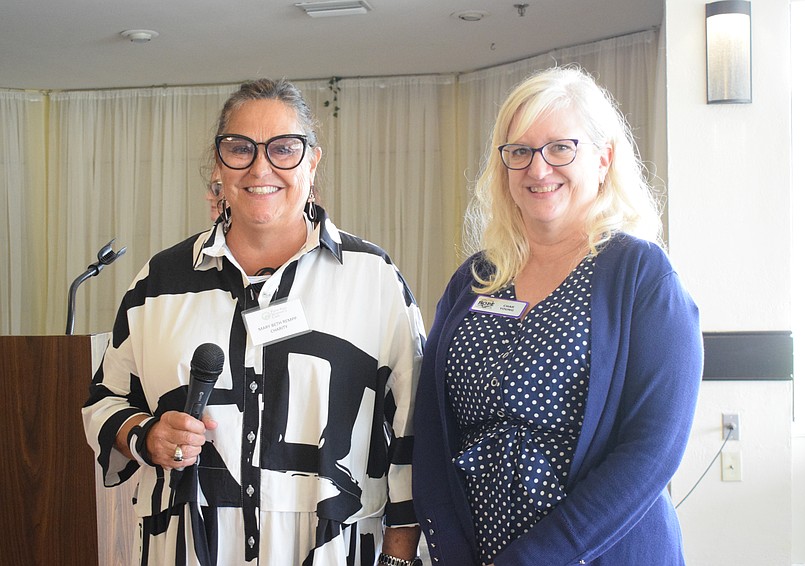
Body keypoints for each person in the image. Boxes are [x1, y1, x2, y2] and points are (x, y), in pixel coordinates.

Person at [82, 78, 425, 566]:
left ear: (312, 162)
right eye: (240, 148)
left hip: (332, 549)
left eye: (284, 149)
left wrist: (397, 557)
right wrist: (145, 434)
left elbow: (416, 429)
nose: (261, 167)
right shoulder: (159, 280)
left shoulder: (373, 278)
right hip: (184, 548)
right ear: (219, 166)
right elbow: (104, 401)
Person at [412, 66, 703, 566]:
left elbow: (652, 450)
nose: (538, 169)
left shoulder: (640, 276)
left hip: (600, 554)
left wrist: (537, 558)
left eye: (560, 148)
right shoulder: (474, 280)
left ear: (603, 159)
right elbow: (433, 432)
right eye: (520, 152)